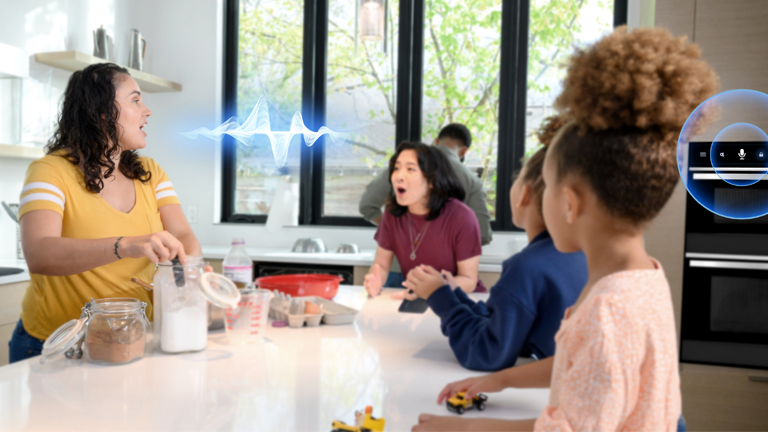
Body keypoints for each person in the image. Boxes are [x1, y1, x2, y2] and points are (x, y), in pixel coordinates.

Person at [412, 26, 719, 431]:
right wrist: (499, 380)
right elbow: (582, 362)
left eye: (549, 186)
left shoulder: (607, 312)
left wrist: (466, 428)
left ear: (570, 203)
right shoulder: (643, 277)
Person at [9, 63, 204, 363]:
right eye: (135, 100)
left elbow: (182, 234)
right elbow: (39, 253)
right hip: (59, 347)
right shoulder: (50, 171)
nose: (147, 110)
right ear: (102, 111)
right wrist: (125, 245)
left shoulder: (151, 172)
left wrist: (189, 269)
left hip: (132, 338)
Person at [403, 116, 587, 371]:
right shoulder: (576, 256)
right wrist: (454, 294)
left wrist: (439, 299)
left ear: (524, 195)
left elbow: (487, 352)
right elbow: (507, 326)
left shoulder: (526, 267)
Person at [359, 124, 492, 288]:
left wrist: (434, 287)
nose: (399, 176)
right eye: (396, 168)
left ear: (431, 180)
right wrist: (374, 280)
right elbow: (380, 267)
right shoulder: (393, 213)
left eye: (410, 169)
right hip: (413, 292)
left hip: (456, 300)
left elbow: (469, 280)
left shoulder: (462, 216)